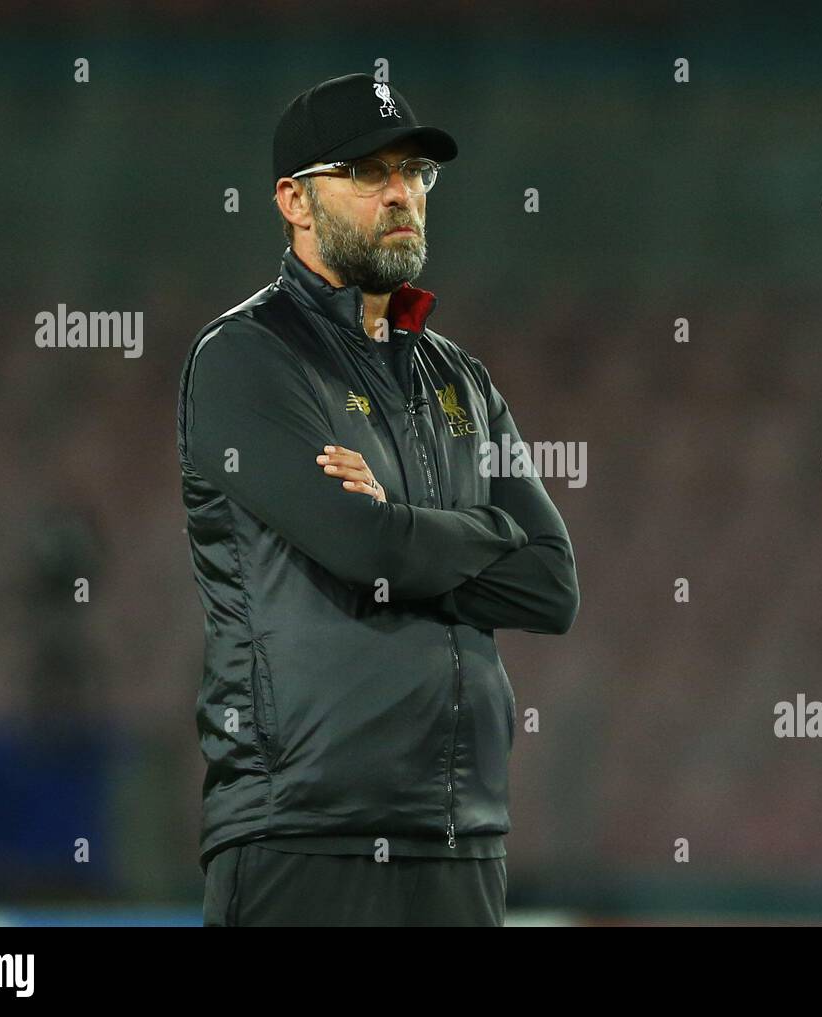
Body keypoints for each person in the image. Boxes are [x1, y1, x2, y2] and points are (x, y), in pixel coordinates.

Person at [177, 73, 580, 926]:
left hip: (462, 838)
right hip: (304, 833)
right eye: (367, 173)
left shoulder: (460, 380)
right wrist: (478, 533)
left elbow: (551, 585)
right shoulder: (248, 358)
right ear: (293, 200)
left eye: (414, 172)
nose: (400, 193)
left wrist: (399, 522)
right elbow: (365, 553)